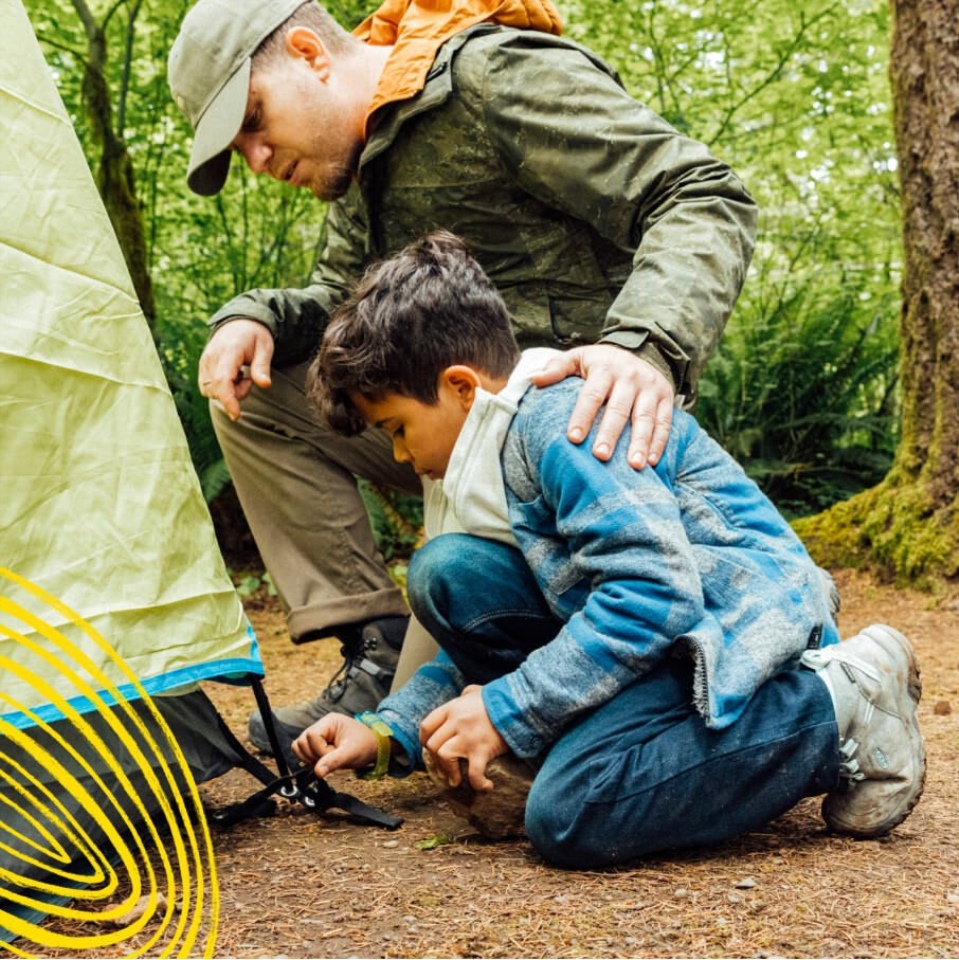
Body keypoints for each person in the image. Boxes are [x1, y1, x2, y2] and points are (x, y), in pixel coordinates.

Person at [167, 0, 759, 748]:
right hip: (445, 443)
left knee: (444, 732)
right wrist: (253, 316)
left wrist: (643, 347)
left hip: (565, 444)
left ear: (312, 54)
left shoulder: (493, 76)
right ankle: (376, 649)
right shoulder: (356, 160)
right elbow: (339, 307)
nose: (254, 157)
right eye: (236, 148)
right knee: (250, 396)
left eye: (254, 119)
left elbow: (700, 194)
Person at [292, 231, 925, 867]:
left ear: (460, 386)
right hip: (665, 637)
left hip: (733, 629)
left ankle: (839, 704)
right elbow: (525, 623)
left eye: (398, 429)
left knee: (572, 812)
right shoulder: (497, 447)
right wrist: (386, 730)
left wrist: (510, 709)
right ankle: (581, 743)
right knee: (449, 572)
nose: (400, 456)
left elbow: (656, 595)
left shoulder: (562, 423)